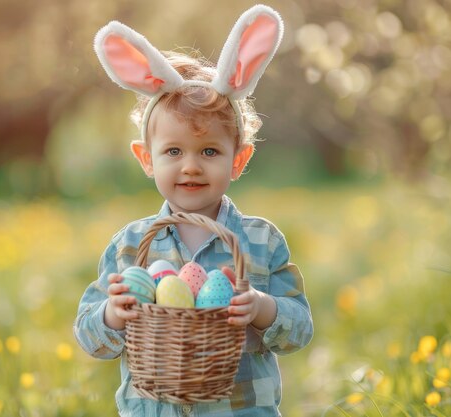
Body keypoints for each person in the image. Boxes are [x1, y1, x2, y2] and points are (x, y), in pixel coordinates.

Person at [74, 5, 313, 416]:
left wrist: (261, 307)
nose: (190, 165)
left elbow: (300, 331)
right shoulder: (131, 247)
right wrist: (112, 315)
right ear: (146, 159)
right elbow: (89, 337)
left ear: (238, 160)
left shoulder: (260, 240)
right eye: (172, 151)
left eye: (209, 151)